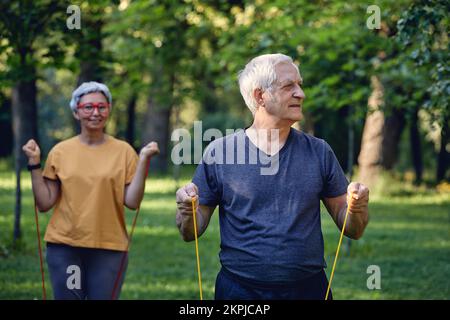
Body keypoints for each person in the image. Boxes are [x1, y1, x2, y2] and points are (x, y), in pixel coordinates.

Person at [175, 54, 369, 300]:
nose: (301, 93)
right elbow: (190, 231)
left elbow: (353, 229)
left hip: (309, 290)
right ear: (260, 96)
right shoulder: (220, 153)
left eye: (300, 85)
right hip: (240, 292)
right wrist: (186, 210)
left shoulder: (319, 151)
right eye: (289, 86)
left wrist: (357, 208)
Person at [22, 81, 159, 300]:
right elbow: (45, 203)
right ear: (76, 112)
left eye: (101, 107)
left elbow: (132, 201)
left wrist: (143, 159)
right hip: (66, 247)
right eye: (88, 107)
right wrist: (34, 163)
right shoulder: (61, 152)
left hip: (109, 248)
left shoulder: (123, 151)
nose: (95, 112)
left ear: (109, 110)